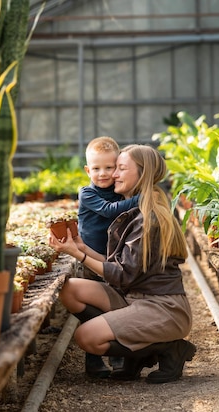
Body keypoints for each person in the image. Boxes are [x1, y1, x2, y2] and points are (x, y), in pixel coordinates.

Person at [49, 144, 195, 384]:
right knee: (70, 288)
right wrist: (81, 247)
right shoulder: (138, 209)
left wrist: (80, 256)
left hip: (163, 308)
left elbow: (122, 275)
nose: (113, 174)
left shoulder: (150, 219)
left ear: (142, 173)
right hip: (134, 298)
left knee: (86, 337)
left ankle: (167, 348)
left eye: (120, 168)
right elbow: (123, 265)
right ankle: (136, 349)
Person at [78, 136, 139, 378]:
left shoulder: (119, 191)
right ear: (87, 170)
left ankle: (118, 354)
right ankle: (93, 361)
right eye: (96, 168)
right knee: (93, 308)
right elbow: (108, 211)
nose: (102, 174)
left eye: (109, 167)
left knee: (115, 305)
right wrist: (140, 199)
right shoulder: (88, 194)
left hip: (115, 259)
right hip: (91, 259)